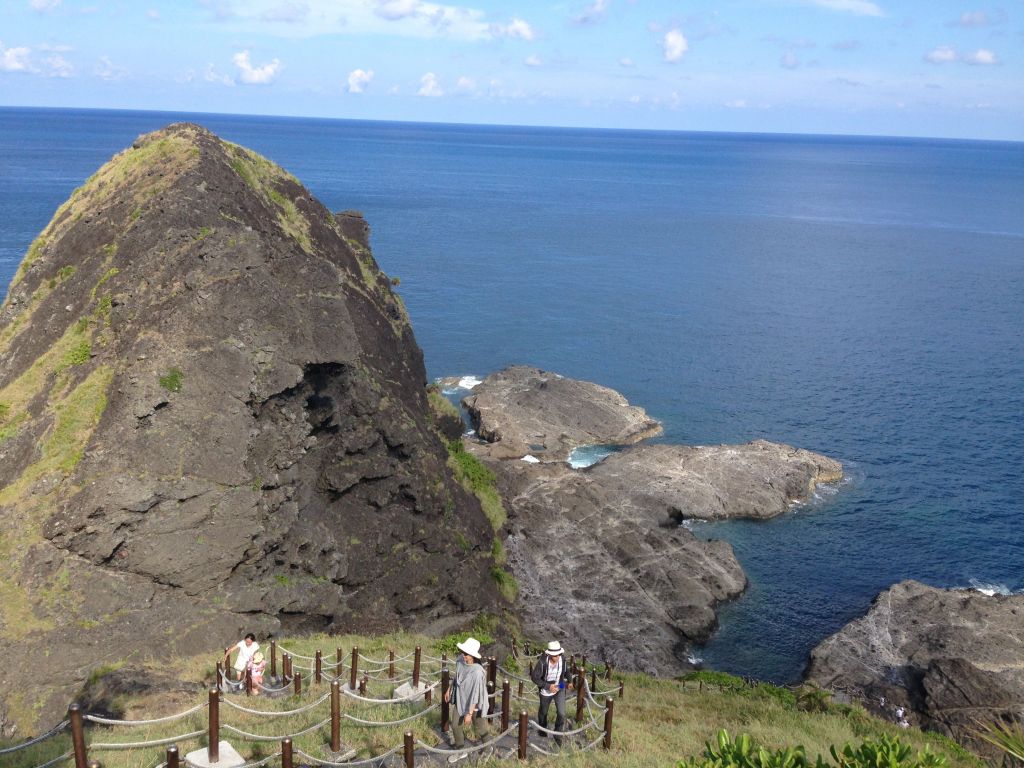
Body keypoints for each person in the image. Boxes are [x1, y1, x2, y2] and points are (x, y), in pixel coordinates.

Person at [444, 637, 490, 763]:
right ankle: (460, 749)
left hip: (475, 704)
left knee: (479, 726)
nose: (463, 655)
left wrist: (469, 714)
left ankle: (488, 748)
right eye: (462, 652)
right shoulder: (460, 661)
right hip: (461, 698)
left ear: (473, 655)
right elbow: (457, 676)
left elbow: (476, 694)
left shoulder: (477, 672)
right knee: (455, 725)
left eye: (466, 654)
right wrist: (449, 689)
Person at [530, 640, 572, 745]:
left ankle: (557, 734)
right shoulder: (542, 662)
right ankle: (543, 730)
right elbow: (535, 678)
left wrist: (570, 681)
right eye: (555, 655)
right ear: (549, 654)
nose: (557, 657)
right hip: (546, 689)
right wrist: (548, 686)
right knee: (543, 712)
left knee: (562, 713)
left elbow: (567, 671)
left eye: (558, 655)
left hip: (560, 686)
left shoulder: (563, 659)